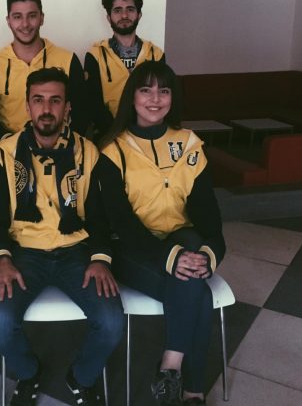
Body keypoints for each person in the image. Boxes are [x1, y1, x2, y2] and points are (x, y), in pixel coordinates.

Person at [0, 68, 123, 406]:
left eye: (55, 100)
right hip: (24, 254)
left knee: (111, 322)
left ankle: (82, 377)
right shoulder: (4, 152)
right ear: (28, 106)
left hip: (76, 251)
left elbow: (100, 216)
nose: (46, 108)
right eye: (38, 100)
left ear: (67, 107)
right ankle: (29, 373)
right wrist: (2, 259)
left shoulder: (87, 152)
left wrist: (100, 258)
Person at [96, 61, 225, 406]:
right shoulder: (113, 150)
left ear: (173, 98)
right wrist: (172, 257)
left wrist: (208, 255)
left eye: (164, 91)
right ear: (132, 97)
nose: (155, 99)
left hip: (182, 241)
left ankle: (170, 369)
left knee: (192, 253)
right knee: (196, 292)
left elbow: (209, 218)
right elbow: (121, 223)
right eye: (146, 90)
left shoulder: (188, 144)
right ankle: (193, 390)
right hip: (132, 250)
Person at [0, 0, 88, 144]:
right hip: (9, 148)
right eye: (17, 17)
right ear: (8, 21)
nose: (25, 24)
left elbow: (82, 113)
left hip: (60, 147)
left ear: (42, 18)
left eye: (32, 16)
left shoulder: (68, 60)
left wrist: (61, 144)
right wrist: (14, 145)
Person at [84, 0, 165, 139]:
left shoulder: (156, 54)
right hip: (109, 135)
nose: (124, 15)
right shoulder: (95, 55)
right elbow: (93, 104)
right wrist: (116, 134)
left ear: (139, 15)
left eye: (130, 9)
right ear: (109, 17)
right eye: (117, 10)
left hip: (148, 133)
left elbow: (162, 98)